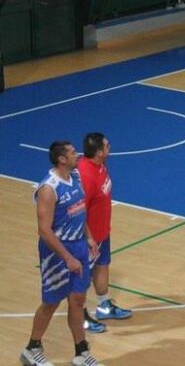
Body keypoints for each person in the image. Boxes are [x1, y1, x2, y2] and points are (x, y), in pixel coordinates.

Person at [21, 141, 103, 366]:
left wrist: (88, 236)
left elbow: (79, 210)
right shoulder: (49, 188)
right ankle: (32, 347)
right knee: (52, 302)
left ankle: (81, 352)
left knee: (78, 300)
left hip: (78, 245)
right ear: (61, 159)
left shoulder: (75, 176)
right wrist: (67, 257)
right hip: (56, 251)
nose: (77, 154)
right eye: (72, 152)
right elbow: (44, 230)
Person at [78, 133, 131, 335]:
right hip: (88, 237)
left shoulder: (100, 166)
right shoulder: (86, 176)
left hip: (102, 232)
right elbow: (78, 212)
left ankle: (104, 305)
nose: (110, 147)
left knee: (103, 265)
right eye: (107, 145)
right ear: (99, 152)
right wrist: (89, 237)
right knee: (82, 278)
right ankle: (80, 317)